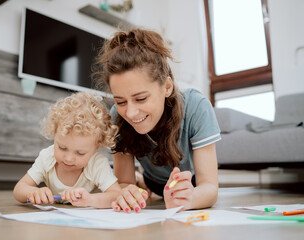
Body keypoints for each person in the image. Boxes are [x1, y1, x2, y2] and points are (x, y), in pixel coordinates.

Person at [94, 28, 221, 213]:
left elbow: (209, 187)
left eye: (141, 99)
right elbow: (123, 183)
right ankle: (141, 180)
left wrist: (187, 200)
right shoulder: (117, 116)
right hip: (153, 182)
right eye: (120, 101)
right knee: (141, 183)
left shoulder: (196, 106)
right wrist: (126, 192)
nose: (130, 112)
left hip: (191, 183)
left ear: (167, 86)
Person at [13, 92, 121, 209]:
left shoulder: (97, 164)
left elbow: (116, 195)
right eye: (62, 148)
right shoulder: (47, 157)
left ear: (96, 147)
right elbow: (19, 189)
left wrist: (91, 199)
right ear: (55, 135)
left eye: (80, 153)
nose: (69, 158)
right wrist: (32, 192)